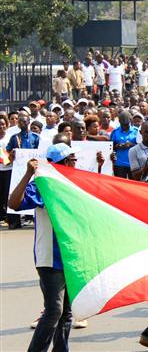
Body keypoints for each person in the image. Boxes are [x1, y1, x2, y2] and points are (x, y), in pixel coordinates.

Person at [8, 141, 79, 352]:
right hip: (50, 257)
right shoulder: (42, 185)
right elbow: (13, 203)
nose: (76, 162)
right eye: (72, 159)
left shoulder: (72, 184)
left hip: (70, 256)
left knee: (66, 313)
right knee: (54, 311)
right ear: (63, 162)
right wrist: (28, 174)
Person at [110, 111, 139, 179]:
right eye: (122, 125)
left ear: (130, 121)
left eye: (126, 124)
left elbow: (141, 145)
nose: (124, 126)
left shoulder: (137, 131)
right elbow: (111, 147)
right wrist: (118, 146)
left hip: (133, 164)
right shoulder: (115, 132)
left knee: (133, 185)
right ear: (119, 122)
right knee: (119, 185)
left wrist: (131, 144)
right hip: (119, 163)